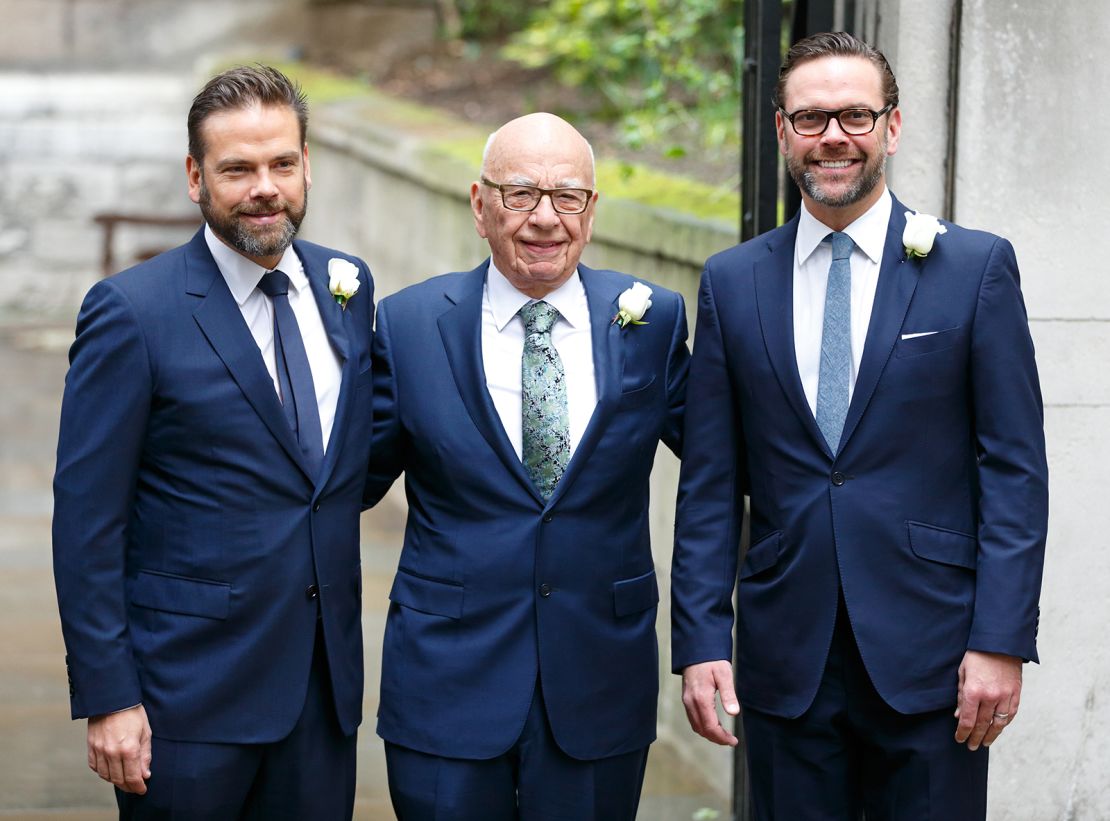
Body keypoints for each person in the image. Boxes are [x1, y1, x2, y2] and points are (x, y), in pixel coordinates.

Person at [671, 32, 1048, 820]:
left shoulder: (975, 269)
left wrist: (1001, 638)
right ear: (781, 131)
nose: (833, 135)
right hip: (786, 658)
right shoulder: (733, 283)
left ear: (893, 127)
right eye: (811, 119)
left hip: (937, 658)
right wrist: (703, 639)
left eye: (854, 115)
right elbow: (710, 483)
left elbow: (1012, 469)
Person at [52, 65, 374, 819]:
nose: (265, 186)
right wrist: (110, 694)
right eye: (238, 168)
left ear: (306, 166)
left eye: (282, 164)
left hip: (322, 699)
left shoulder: (346, 287)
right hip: (184, 705)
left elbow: (347, 466)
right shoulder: (131, 312)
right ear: (196, 177)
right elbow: (87, 520)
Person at [364, 112, 689, 820]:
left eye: (567, 196)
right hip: (447, 684)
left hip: (600, 682)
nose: (546, 218)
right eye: (520, 194)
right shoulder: (408, 325)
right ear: (480, 206)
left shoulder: (653, 322)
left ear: (592, 211)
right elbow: (342, 485)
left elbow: (726, 466)